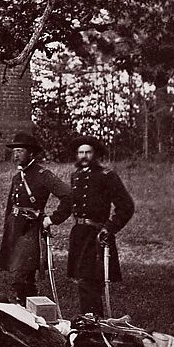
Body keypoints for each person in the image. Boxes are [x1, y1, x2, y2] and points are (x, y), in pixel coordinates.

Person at [0, 130, 72, 304]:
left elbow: (68, 195)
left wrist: (52, 219)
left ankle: (27, 309)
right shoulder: (17, 177)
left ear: (31, 153)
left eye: (20, 151)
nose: (15, 155)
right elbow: (10, 207)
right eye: (14, 151)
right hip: (15, 229)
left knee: (21, 275)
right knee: (22, 276)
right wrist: (8, 230)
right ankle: (30, 308)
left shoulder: (42, 175)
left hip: (30, 231)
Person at [65, 135, 135, 316]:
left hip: (96, 235)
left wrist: (109, 228)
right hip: (79, 234)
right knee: (82, 281)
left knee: (90, 282)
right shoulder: (76, 176)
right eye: (80, 152)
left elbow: (126, 206)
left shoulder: (107, 176)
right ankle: (90, 323)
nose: (84, 156)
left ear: (95, 154)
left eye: (88, 152)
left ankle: (94, 325)